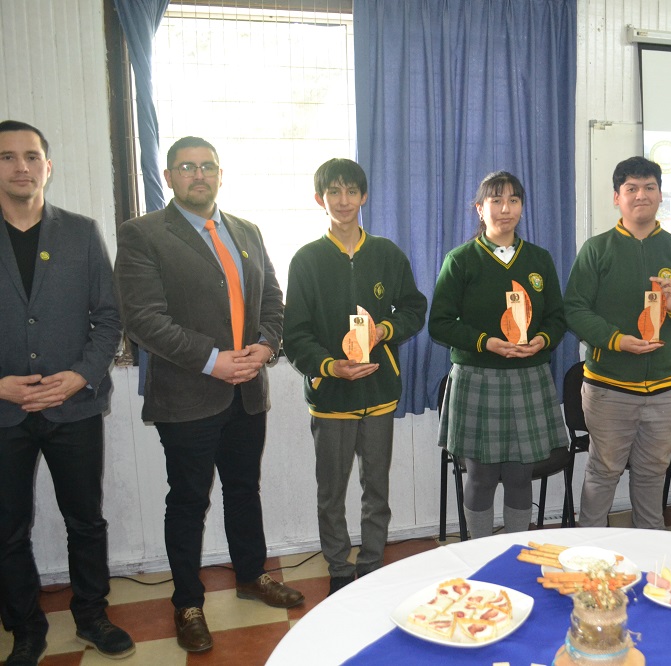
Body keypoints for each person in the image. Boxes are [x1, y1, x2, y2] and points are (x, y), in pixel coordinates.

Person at [114, 136, 302, 653]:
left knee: (244, 489)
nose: (198, 175)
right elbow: (143, 319)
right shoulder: (142, 235)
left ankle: (250, 575)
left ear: (221, 174)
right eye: (186, 167)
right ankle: (188, 603)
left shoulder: (247, 231)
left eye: (207, 167)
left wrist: (265, 346)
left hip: (247, 390)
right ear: (170, 177)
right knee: (188, 501)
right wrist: (213, 360)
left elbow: (273, 300)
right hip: (188, 394)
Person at [0, 121, 133, 665]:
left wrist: (81, 374)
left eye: (31, 156)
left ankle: (92, 614)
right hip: (4, 413)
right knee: (8, 531)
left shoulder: (81, 232)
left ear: (48, 167)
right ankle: (26, 629)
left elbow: (108, 317)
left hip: (74, 406)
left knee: (86, 519)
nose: (21, 166)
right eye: (7, 157)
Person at [283, 159, 426, 594]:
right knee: (331, 492)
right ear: (319, 199)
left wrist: (386, 330)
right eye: (334, 192)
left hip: (379, 393)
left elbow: (414, 309)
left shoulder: (387, 253)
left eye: (351, 192)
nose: (343, 201)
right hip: (330, 398)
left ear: (364, 197)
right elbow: (295, 334)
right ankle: (339, 569)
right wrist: (330, 367)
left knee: (376, 488)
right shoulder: (306, 260)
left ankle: (370, 563)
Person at [564, 156, 671, 530]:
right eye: (631, 188)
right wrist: (616, 341)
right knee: (603, 471)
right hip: (609, 388)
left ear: (661, 195)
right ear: (617, 197)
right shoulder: (597, 249)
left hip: (666, 390)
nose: (641, 195)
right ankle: (589, 550)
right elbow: (574, 310)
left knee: (652, 474)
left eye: (649, 187)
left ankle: (652, 551)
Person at [429, 171, 567, 539]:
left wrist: (543, 340)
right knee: (481, 475)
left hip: (529, 376)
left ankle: (517, 550)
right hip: (478, 377)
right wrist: (485, 342)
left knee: (521, 474)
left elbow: (557, 316)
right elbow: (439, 324)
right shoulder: (460, 260)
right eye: (496, 200)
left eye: (514, 200)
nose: (505, 209)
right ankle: (479, 552)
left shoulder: (539, 259)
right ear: (480, 208)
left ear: (522, 207)